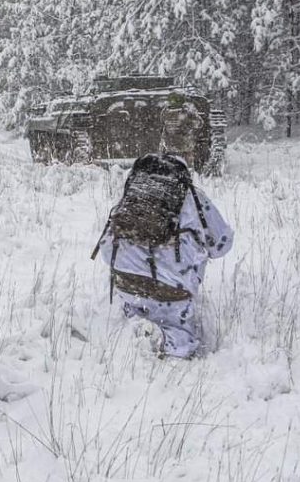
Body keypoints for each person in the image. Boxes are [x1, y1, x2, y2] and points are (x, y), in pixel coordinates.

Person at [94, 153, 232, 358]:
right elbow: (222, 244)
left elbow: (106, 250)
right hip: (172, 291)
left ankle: (137, 337)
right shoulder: (193, 197)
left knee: (136, 316)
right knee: (178, 337)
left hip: (127, 283)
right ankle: (177, 353)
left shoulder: (133, 195)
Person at [160, 92, 204, 167]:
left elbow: (162, 123)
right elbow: (199, 124)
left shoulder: (165, 111)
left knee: (168, 165)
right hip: (185, 145)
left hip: (169, 145)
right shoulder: (186, 112)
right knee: (187, 166)